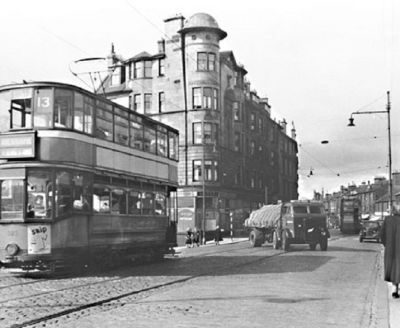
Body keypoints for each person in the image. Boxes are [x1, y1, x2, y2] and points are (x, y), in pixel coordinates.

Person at [380, 214, 400, 299]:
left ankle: (394, 289)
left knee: (393, 268)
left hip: (390, 249)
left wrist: (387, 245)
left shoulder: (387, 220)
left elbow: (382, 235)